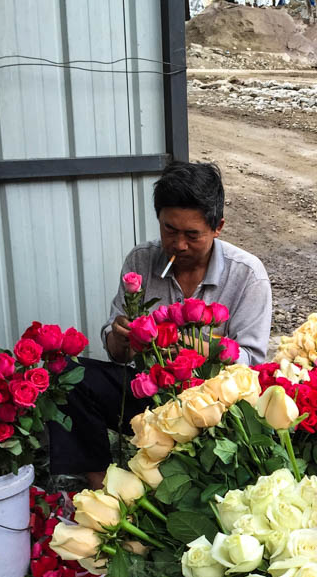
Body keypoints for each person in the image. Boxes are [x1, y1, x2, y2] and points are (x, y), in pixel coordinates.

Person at [50, 161, 272, 487]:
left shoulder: (247, 275)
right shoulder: (141, 260)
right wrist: (121, 337)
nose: (179, 244)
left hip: (213, 408)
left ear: (218, 227)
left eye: (192, 235)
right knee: (70, 377)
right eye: (169, 230)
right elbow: (117, 355)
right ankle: (100, 490)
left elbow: (252, 365)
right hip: (151, 394)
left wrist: (188, 344)